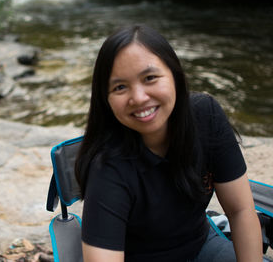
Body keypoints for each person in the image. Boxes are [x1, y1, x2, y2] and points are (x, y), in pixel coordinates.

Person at [74, 24, 263, 262]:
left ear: (175, 75)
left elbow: (241, 211)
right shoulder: (108, 168)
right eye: (120, 87)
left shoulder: (206, 116)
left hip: (201, 246)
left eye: (150, 78)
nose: (139, 98)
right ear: (106, 99)